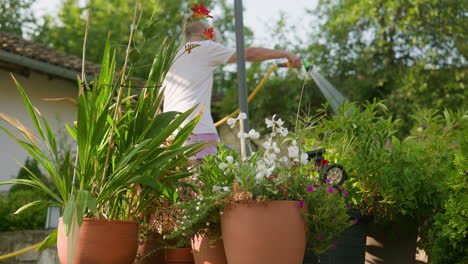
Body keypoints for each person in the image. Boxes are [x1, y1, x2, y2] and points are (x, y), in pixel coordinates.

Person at [162, 12, 302, 160]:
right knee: (200, 181)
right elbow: (247, 54)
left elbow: (160, 98)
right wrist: (286, 54)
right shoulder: (205, 47)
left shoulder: (173, 55)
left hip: (169, 132)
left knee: (178, 181)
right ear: (207, 33)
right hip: (197, 129)